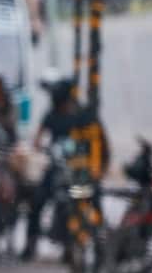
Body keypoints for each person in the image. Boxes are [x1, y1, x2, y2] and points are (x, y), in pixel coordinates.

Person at [21, 77, 110, 261]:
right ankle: (30, 244)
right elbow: (38, 139)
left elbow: (100, 145)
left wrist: (98, 169)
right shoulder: (51, 115)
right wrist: (41, 149)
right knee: (37, 201)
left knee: (91, 200)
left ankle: (100, 245)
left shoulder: (84, 116)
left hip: (80, 173)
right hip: (57, 170)